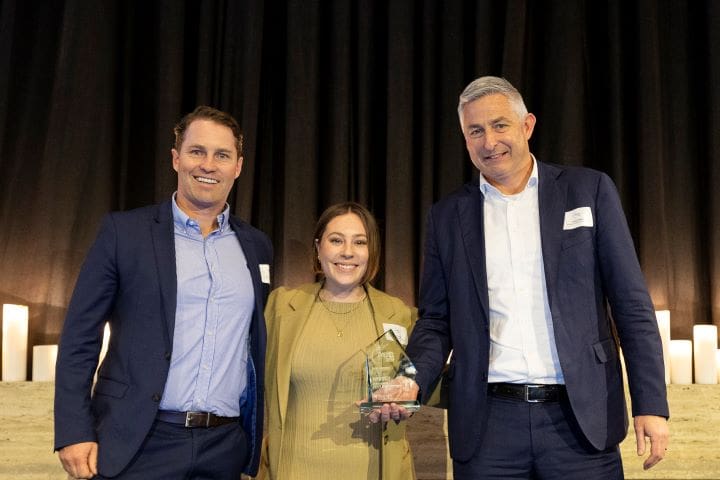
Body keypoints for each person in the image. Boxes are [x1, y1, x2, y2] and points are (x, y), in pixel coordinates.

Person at [403, 76, 670, 479]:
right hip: (488, 426)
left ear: (527, 125)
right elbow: (436, 320)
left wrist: (650, 402)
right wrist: (411, 380)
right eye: (475, 131)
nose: (489, 141)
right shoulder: (446, 217)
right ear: (464, 139)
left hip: (580, 422)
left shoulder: (588, 190)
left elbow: (631, 304)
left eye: (499, 125)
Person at [54, 106, 273, 479]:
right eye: (196, 151)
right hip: (138, 441)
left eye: (222, 155)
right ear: (176, 158)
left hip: (224, 448)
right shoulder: (124, 233)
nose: (208, 164)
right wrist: (73, 430)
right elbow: (80, 336)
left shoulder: (257, 246)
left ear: (238, 166)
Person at [261, 202, 416, 480]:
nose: (347, 251)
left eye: (359, 242)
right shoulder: (281, 307)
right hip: (292, 471)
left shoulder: (399, 314)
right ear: (319, 248)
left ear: (371, 252)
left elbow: (423, 386)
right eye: (336, 240)